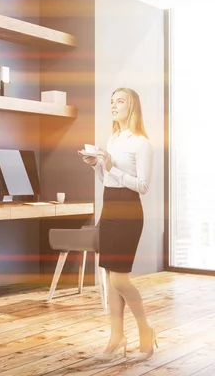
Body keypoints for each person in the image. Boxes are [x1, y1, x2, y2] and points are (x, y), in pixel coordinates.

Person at [79, 87, 157, 361]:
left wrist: (111, 166)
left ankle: (146, 332)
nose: (113, 105)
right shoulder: (112, 139)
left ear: (132, 106)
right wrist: (97, 165)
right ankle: (117, 336)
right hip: (109, 208)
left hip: (128, 212)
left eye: (120, 101)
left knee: (120, 278)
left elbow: (143, 186)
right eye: (112, 102)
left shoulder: (141, 142)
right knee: (111, 280)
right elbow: (107, 180)